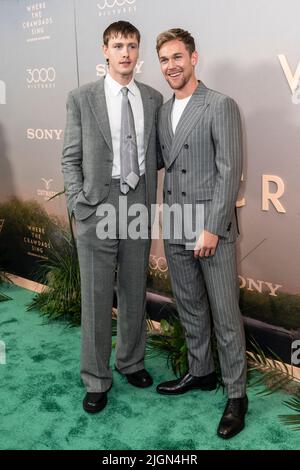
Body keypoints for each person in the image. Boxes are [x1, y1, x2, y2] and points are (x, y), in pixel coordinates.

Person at [62, 21, 163, 413]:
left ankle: (131, 361)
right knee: (97, 296)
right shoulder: (81, 98)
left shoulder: (153, 98)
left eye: (132, 46)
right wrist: (78, 202)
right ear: (105, 50)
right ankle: (95, 378)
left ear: (138, 53)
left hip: (137, 200)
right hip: (96, 206)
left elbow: (156, 155)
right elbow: (71, 157)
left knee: (135, 289)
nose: (125, 53)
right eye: (118, 45)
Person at [155, 28, 248, 439]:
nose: (170, 66)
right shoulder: (161, 110)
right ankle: (201, 372)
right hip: (175, 223)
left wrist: (212, 227)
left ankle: (237, 396)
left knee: (226, 316)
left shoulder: (219, 105)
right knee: (191, 308)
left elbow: (230, 172)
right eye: (163, 60)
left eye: (177, 57)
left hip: (210, 229)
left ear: (194, 58)